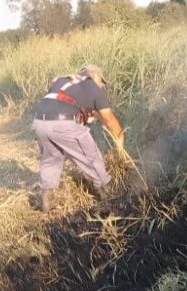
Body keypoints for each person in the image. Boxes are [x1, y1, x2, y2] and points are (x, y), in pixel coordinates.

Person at [32, 64, 125, 212]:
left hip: (39, 123)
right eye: (101, 82)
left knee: (51, 158)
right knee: (91, 157)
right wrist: (120, 139)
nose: (101, 86)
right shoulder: (93, 86)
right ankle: (109, 196)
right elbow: (109, 119)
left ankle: (45, 202)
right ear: (94, 76)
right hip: (62, 123)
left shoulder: (63, 82)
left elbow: (63, 103)